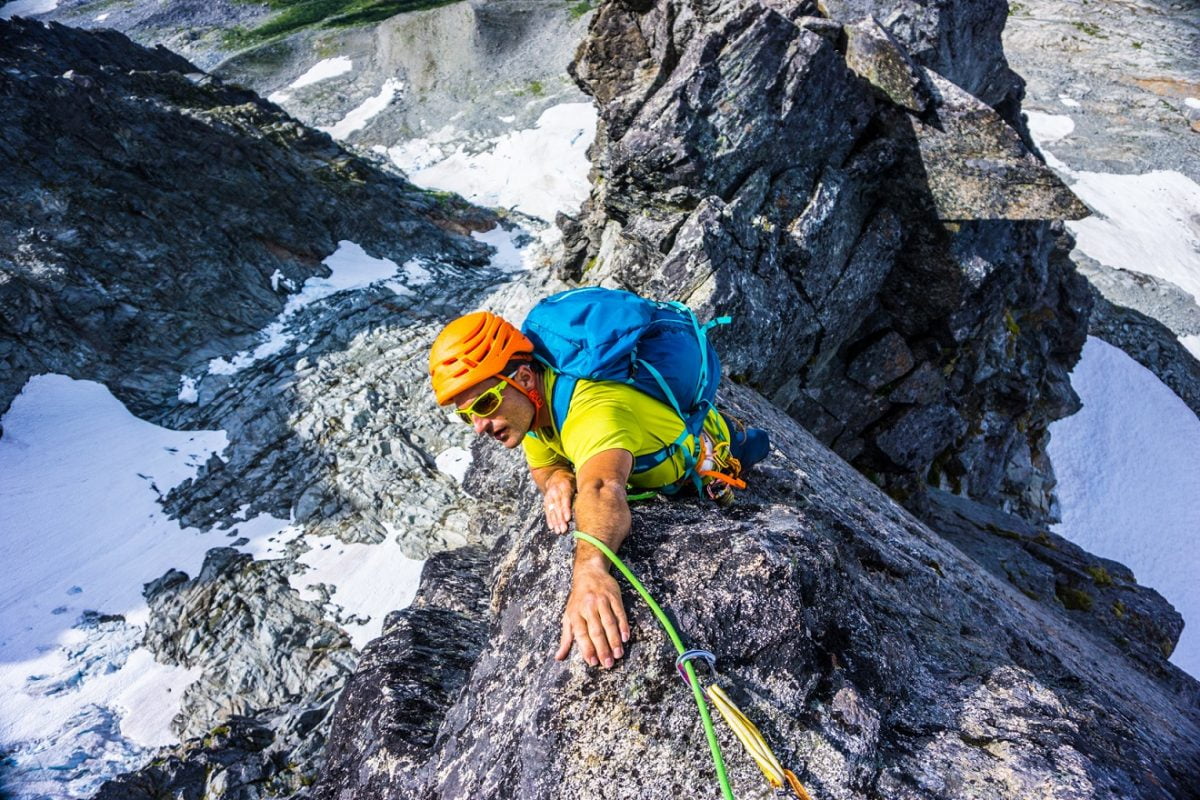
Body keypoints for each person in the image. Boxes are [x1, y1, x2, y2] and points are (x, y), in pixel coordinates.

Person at [428, 309, 768, 670]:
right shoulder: (535, 409)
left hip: (708, 453)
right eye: (467, 416)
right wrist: (557, 478)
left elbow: (603, 486)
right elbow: (544, 463)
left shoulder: (592, 411)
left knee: (757, 446)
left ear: (524, 377)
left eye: (485, 404)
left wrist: (590, 570)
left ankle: (736, 433)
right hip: (648, 459)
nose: (480, 426)